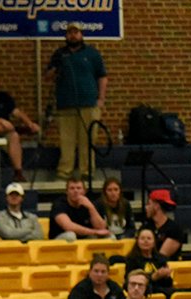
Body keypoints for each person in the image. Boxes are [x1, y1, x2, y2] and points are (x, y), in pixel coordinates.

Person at [48, 23, 108, 181]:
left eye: (76, 32)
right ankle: (64, 172)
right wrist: (56, 69)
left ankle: (86, 172)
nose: (73, 35)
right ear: (66, 36)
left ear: (81, 34)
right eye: (70, 32)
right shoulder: (59, 54)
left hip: (89, 104)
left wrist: (101, 99)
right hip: (66, 104)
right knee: (66, 140)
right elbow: (49, 76)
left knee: (87, 140)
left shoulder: (92, 53)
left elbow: (102, 76)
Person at [125, 227, 173, 299]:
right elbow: (129, 281)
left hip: (162, 292)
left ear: (154, 242)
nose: (145, 241)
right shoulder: (132, 259)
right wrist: (153, 278)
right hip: (142, 292)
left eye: (149, 238)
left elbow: (168, 284)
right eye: (142, 238)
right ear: (137, 241)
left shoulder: (161, 259)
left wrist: (166, 276)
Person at [141, 189, 184, 260]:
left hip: (167, 268)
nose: (146, 207)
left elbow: (161, 257)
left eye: (149, 204)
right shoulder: (146, 227)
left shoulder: (174, 229)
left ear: (156, 206)